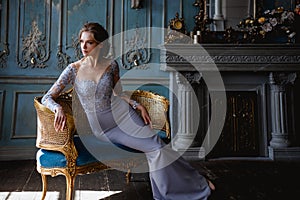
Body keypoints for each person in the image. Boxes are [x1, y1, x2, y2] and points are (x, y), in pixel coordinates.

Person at [42, 22, 215, 200]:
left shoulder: (112, 66)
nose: (83, 47)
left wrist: (135, 104)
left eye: (89, 42)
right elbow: (47, 97)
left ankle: (191, 184)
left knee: (157, 145)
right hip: (104, 129)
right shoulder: (73, 69)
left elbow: (119, 93)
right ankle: (192, 186)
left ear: (100, 45)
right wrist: (58, 109)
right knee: (156, 148)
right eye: (81, 42)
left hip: (124, 115)